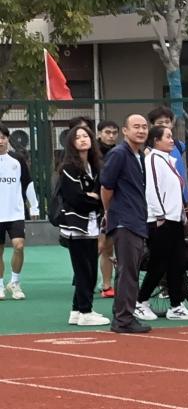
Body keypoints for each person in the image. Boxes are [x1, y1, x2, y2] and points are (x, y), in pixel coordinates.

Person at [136, 124, 188, 322]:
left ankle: (176, 306)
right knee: (159, 264)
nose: (172, 140)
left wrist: (183, 212)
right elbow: (152, 189)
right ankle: (140, 302)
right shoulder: (153, 159)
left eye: (172, 137)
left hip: (174, 220)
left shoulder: (168, 160)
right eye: (168, 137)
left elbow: (173, 191)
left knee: (177, 264)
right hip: (160, 222)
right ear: (156, 141)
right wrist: (160, 216)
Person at [100, 114, 152, 333]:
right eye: (136, 127)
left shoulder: (138, 155)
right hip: (125, 221)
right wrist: (108, 211)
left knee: (129, 271)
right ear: (125, 131)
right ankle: (123, 319)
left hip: (136, 219)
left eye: (144, 127)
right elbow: (106, 186)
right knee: (128, 272)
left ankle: (123, 316)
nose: (141, 131)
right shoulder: (119, 154)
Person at [56, 125, 109, 326]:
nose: (82, 139)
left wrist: (93, 196)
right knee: (84, 271)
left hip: (92, 225)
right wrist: (93, 198)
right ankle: (86, 311)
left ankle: (77, 310)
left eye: (85, 136)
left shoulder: (95, 166)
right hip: (76, 226)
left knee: (89, 269)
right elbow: (75, 198)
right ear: (71, 143)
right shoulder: (68, 168)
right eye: (77, 137)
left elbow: (100, 192)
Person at [0, 123, 39, 302]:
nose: (0, 141)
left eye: (3, 137)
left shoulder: (17, 160)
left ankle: (15, 282)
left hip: (15, 213)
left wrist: (34, 206)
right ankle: (0, 285)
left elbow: (27, 183)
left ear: (8, 139)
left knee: (19, 246)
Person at [148, 106, 188, 208]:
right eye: (160, 123)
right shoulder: (149, 151)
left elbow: (181, 173)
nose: (164, 125)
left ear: (172, 124)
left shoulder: (179, 146)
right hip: (167, 203)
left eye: (167, 122)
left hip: (182, 198)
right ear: (152, 126)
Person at [97, 120, 119, 297]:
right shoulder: (92, 153)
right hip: (96, 207)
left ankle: (110, 285)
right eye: (107, 132)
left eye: (114, 133)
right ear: (99, 134)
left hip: (118, 205)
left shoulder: (121, 152)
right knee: (102, 246)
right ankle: (103, 284)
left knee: (113, 246)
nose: (111, 136)